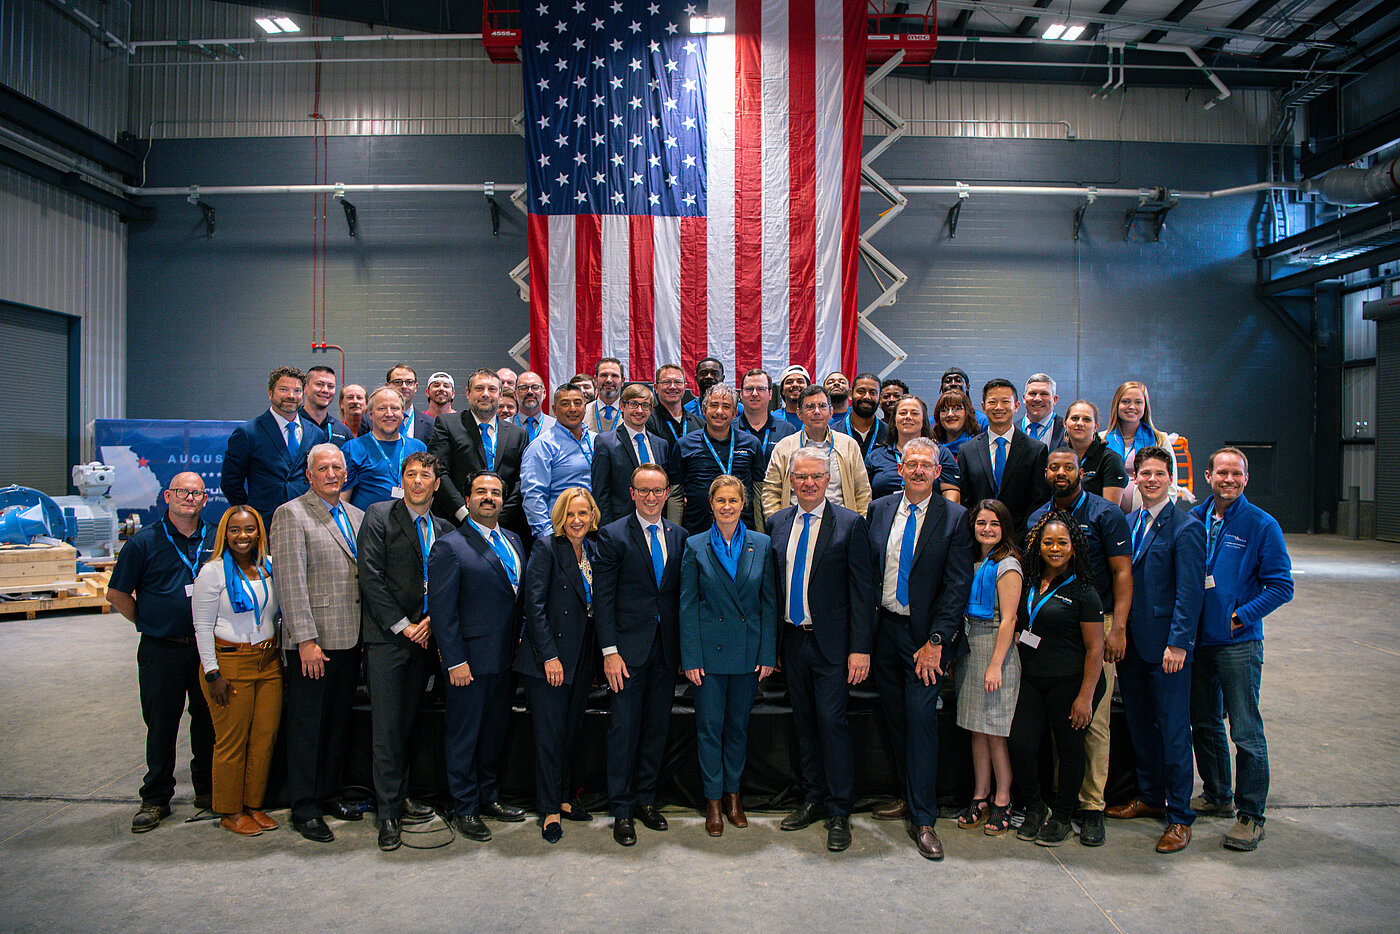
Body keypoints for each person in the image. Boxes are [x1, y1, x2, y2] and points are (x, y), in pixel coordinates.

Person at [866, 438, 973, 860]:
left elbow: (956, 586)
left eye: (924, 465)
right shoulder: (879, 509)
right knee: (894, 720)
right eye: (910, 463)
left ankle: (924, 818)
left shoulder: (955, 517)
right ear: (900, 467)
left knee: (921, 723)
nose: (916, 470)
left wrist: (936, 643)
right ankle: (906, 796)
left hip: (925, 639)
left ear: (937, 471)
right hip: (885, 631)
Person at [767, 449, 876, 852]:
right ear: (791, 481)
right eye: (800, 477)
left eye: (816, 477)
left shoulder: (850, 525)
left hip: (833, 645)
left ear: (828, 480)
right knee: (804, 723)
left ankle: (839, 810)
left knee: (833, 725)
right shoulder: (777, 523)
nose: (808, 483)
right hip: (793, 641)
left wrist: (860, 649)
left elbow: (863, 592)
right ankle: (813, 798)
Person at [1025, 448, 1134, 847]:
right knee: (1059, 725)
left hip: (1095, 623)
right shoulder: (1038, 517)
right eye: (1054, 467)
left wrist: (1117, 628)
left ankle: (1092, 807)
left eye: (1068, 467)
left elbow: (1122, 572)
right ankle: (1061, 803)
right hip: (1049, 623)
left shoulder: (1107, 514)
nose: (1060, 473)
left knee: (1091, 720)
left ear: (1080, 472)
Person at [1189, 447, 1294, 852]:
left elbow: (1281, 586)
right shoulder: (1195, 519)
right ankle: (1217, 795)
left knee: (1245, 730)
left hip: (1238, 644)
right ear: (1208, 476)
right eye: (1222, 473)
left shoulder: (1261, 525)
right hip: (1199, 643)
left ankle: (1251, 815)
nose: (1228, 480)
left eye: (1236, 473)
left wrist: (1240, 616)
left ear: (1245, 478)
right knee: (1205, 722)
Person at [1105, 446, 1206, 854]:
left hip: (1167, 650)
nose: (1150, 480)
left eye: (1158, 474)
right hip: (1129, 645)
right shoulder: (1126, 522)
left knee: (1174, 731)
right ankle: (1149, 796)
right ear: (1135, 478)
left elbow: (1189, 593)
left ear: (1171, 479)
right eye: (1143, 473)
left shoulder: (1185, 528)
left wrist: (1179, 643)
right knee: (1141, 726)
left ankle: (1180, 817)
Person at [106, 472, 215, 833]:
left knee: (208, 722)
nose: (190, 498)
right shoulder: (143, 542)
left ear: (205, 498)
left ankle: (208, 791)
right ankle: (155, 798)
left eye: (197, 493)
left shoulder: (215, 537)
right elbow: (117, 594)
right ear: (168, 495)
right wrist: (149, 621)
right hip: (161, 649)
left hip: (207, 651)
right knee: (162, 725)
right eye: (183, 492)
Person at [356, 452, 453, 851]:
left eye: (425, 475)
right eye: (410, 474)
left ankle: (403, 795)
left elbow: (447, 581)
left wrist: (432, 620)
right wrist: (405, 625)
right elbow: (371, 577)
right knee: (388, 730)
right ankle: (389, 813)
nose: (417, 481)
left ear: (435, 484)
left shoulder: (445, 527)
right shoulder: (378, 516)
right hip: (390, 640)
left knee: (411, 724)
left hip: (428, 640)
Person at [270, 443, 364, 844]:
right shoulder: (290, 514)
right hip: (315, 644)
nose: (331, 474)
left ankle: (330, 794)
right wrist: (305, 640)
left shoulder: (356, 516)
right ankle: (305, 807)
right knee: (308, 727)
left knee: (338, 724)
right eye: (323, 468)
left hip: (351, 638)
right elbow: (289, 583)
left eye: (337, 467)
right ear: (309, 475)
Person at [428, 471, 529, 842]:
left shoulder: (515, 540)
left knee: (493, 735)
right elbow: (443, 611)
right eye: (481, 492)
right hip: (467, 663)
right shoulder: (449, 546)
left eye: (496, 493)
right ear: (467, 499)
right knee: (464, 737)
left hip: (505, 660)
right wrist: (454, 661)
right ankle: (465, 807)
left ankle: (489, 797)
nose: (489, 498)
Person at [592, 463, 686, 846]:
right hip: (626, 654)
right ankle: (622, 809)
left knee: (656, 729)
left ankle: (647, 800)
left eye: (657, 490)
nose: (650, 497)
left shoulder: (679, 536)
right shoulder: (613, 536)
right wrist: (610, 652)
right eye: (643, 490)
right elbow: (603, 598)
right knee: (624, 732)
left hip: (665, 652)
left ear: (667, 494)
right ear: (631, 493)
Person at [680, 475, 777, 837]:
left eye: (733, 501)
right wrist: (690, 657)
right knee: (709, 730)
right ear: (711, 504)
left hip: (749, 655)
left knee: (737, 729)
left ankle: (734, 796)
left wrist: (768, 652)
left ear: (743, 504)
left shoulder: (761, 544)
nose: (726, 507)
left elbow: (769, 602)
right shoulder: (694, 545)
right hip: (708, 656)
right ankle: (713, 802)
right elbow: (687, 605)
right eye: (720, 500)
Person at [1008, 511, 1106, 847]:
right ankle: (1036, 806)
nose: (1054, 548)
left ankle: (1064, 814)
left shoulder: (1085, 592)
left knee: (1069, 748)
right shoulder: (1030, 582)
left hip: (1071, 681)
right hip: (1033, 679)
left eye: (1062, 542)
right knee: (1020, 745)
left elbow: (1095, 650)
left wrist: (1085, 697)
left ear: (1074, 547)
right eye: (1048, 542)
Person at [515, 488, 603, 844]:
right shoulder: (547, 548)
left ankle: (564, 798)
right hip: (548, 659)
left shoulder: (594, 550)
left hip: (581, 655)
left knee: (569, 733)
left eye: (583, 513)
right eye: (570, 515)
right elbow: (532, 606)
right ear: (560, 518)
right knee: (550, 736)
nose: (577, 521)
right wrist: (549, 655)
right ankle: (549, 809)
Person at [191, 505, 281, 837]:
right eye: (235, 530)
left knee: (264, 739)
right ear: (224, 534)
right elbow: (201, 627)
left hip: (268, 664)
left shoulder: (269, 567)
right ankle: (230, 810)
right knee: (232, 742)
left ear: (259, 533)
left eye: (249, 530)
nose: (242, 537)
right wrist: (212, 673)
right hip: (229, 664)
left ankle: (253, 805)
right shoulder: (212, 573)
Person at [952, 500, 1022, 837]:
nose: (987, 529)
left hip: (997, 652)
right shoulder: (975, 561)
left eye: (994, 523)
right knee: (975, 730)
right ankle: (980, 794)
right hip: (971, 648)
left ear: (1004, 527)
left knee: (995, 732)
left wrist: (995, 666)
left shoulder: (1007, 565)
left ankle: (1003, 798)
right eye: (981, 523)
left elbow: (1009, 620)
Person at [428, 369, 529, 544]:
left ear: (500, 394)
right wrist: (465, 514)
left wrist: (498, 516)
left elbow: (522, 479)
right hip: (457, 525)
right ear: (468, 393)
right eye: (479, 388)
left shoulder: (518, 434)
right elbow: (440, 472)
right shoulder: (447, 424)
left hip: (504, 527)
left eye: (492, 389)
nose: (485, 394)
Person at [221, 366, 327, 521]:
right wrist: (251, 514)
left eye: (297, 391)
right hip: (265, 522)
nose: (291, 396)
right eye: (283, 389)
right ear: (270, 393)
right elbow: (230, 482)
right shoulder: (248, 433)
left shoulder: (316, 434)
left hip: (307, 519)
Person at [762, 386, 872, 519]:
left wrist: (857, 527)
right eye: (810, 407)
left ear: (831, 412)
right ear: (799, 413)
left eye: (822, 406)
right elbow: (770, 493)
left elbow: (862, 492)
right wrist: (779, 526)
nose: (817, 412)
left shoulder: (848, 445)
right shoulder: (784, 447)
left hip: (840, 528)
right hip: (795, 525)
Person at [957, 378, 1050, 535]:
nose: (999, 407)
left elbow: (1038, 501)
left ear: (1016, 406)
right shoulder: (967, 450)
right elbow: (965, 500)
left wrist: (1021, 538)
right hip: (978, 540)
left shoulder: (1036, 450)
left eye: (1005, 402)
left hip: (1020, 539)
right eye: (992, 402)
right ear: (983, 407)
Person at [669, 384, 764, 534]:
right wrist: (673, 535)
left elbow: (759, 494)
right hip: (697, 531)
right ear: (704, 410)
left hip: (743, 532)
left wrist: (761, 532)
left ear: (734, 414)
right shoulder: (684, 445)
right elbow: (675, 495)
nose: (719, 412)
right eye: (714, 405)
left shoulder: (752, 444)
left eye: (726, 407)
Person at [520, 383, 596, 541]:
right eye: (565, 404)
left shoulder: (597, 441)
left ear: (585, 406)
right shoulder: (542, 447)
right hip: (560, 533)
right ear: (554, 410)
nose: (573, 409)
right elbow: (534, 496)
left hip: (593, 532)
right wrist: (548, 537)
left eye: (578, 402)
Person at [592, 383, 671, 526]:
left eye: (645, 405)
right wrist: (607, 530)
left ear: (651, 409)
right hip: (620, 525)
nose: (639, 410)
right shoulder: (605, 442)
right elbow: (600, 493)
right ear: (622, 407)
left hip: (655, 522)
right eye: (634, 404)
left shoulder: (661, 445)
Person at [341, 386, 427, 511]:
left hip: (409, 524)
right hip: (367, 526)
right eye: (381, 408)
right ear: (370, 414)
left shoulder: (418, 447)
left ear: (402, 413)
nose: (389, 414)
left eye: (395, 408)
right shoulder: (352, 448)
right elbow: (343, 499)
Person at [864, 395, 960, 503]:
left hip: (931, 517)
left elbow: (951, 491)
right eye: (903, 413)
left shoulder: (940, 453)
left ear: (923, 420)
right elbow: (864, 494)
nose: (908, 417)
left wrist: (944, 518)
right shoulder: (877, 455)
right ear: (894, 420)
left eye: (914, 413)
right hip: (886, 517)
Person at [1100, 380, 1179, 509]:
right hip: (1106, 516)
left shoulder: (1160, 440)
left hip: (1147, 517)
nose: (1132, 407)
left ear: (1145, 406)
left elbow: (1171, 486)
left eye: (1138, 402)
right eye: (1126, 401)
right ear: (1116, 405)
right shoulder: (1101, 440)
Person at [1059, 400, 1128, 505]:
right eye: (1075, 418)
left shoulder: (1110, 460)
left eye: (1087, 420)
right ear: (1065, 423)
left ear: (1096, 427)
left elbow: (1110, 512)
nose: (1080, 423)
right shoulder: (1059, 457)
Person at [735, 368, 797, 471]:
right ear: (741, 394)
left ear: (770, 394)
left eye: (760, 389)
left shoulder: (787, 431)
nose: (754, 394)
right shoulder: (730, 429)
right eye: (749, 389)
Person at [832, 372, 886, 461]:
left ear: (880, 399)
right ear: (850, 394)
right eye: (861, 391)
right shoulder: (834, 433)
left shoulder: (890, 434)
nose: (867, 397)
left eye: (873, 393)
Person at [648, 362, 704, 444]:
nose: (672, 387)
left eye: (678, 382)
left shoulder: (700, 424)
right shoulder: (647, 421)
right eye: (666, 382)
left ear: (684, 387)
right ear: (656, 387)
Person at [300, 365, 352, 447]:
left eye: (330, 386)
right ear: (305, 388)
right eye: (319, 384)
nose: (325, 390)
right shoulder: (294, 424)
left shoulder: (343, 431)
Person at [386, 364, 435, 445]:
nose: (404, 386)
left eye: (409, 382)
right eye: (398, 382)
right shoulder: (371, 421)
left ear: (416, 387)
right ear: (387, 386)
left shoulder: (430, 423)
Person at [1021, 373, 1064, 450]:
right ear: (1024, 399)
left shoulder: (1066, 430)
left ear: (1054, 399)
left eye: (1044, 394)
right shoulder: (1013, 429)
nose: (1037, 399)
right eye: (1032, 394)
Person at [931, 389, 979, 459]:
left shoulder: (978, 448)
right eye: (944, 410)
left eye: (957, 409)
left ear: (967, 412)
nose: (950, 414)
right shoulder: (931, 449)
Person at [583, 357, 625, 434]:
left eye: (614, 376)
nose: (609, 380)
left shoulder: (631, 413)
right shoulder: (583, 412)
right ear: (595, 380)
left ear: (622, 381)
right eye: (604, 375)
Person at [513, 370, 557, 444]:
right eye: (523, 388)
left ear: (544, 393)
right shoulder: (503, 426)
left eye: (535, 387)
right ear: (515, 395)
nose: (530, 392)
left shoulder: (555, 426)